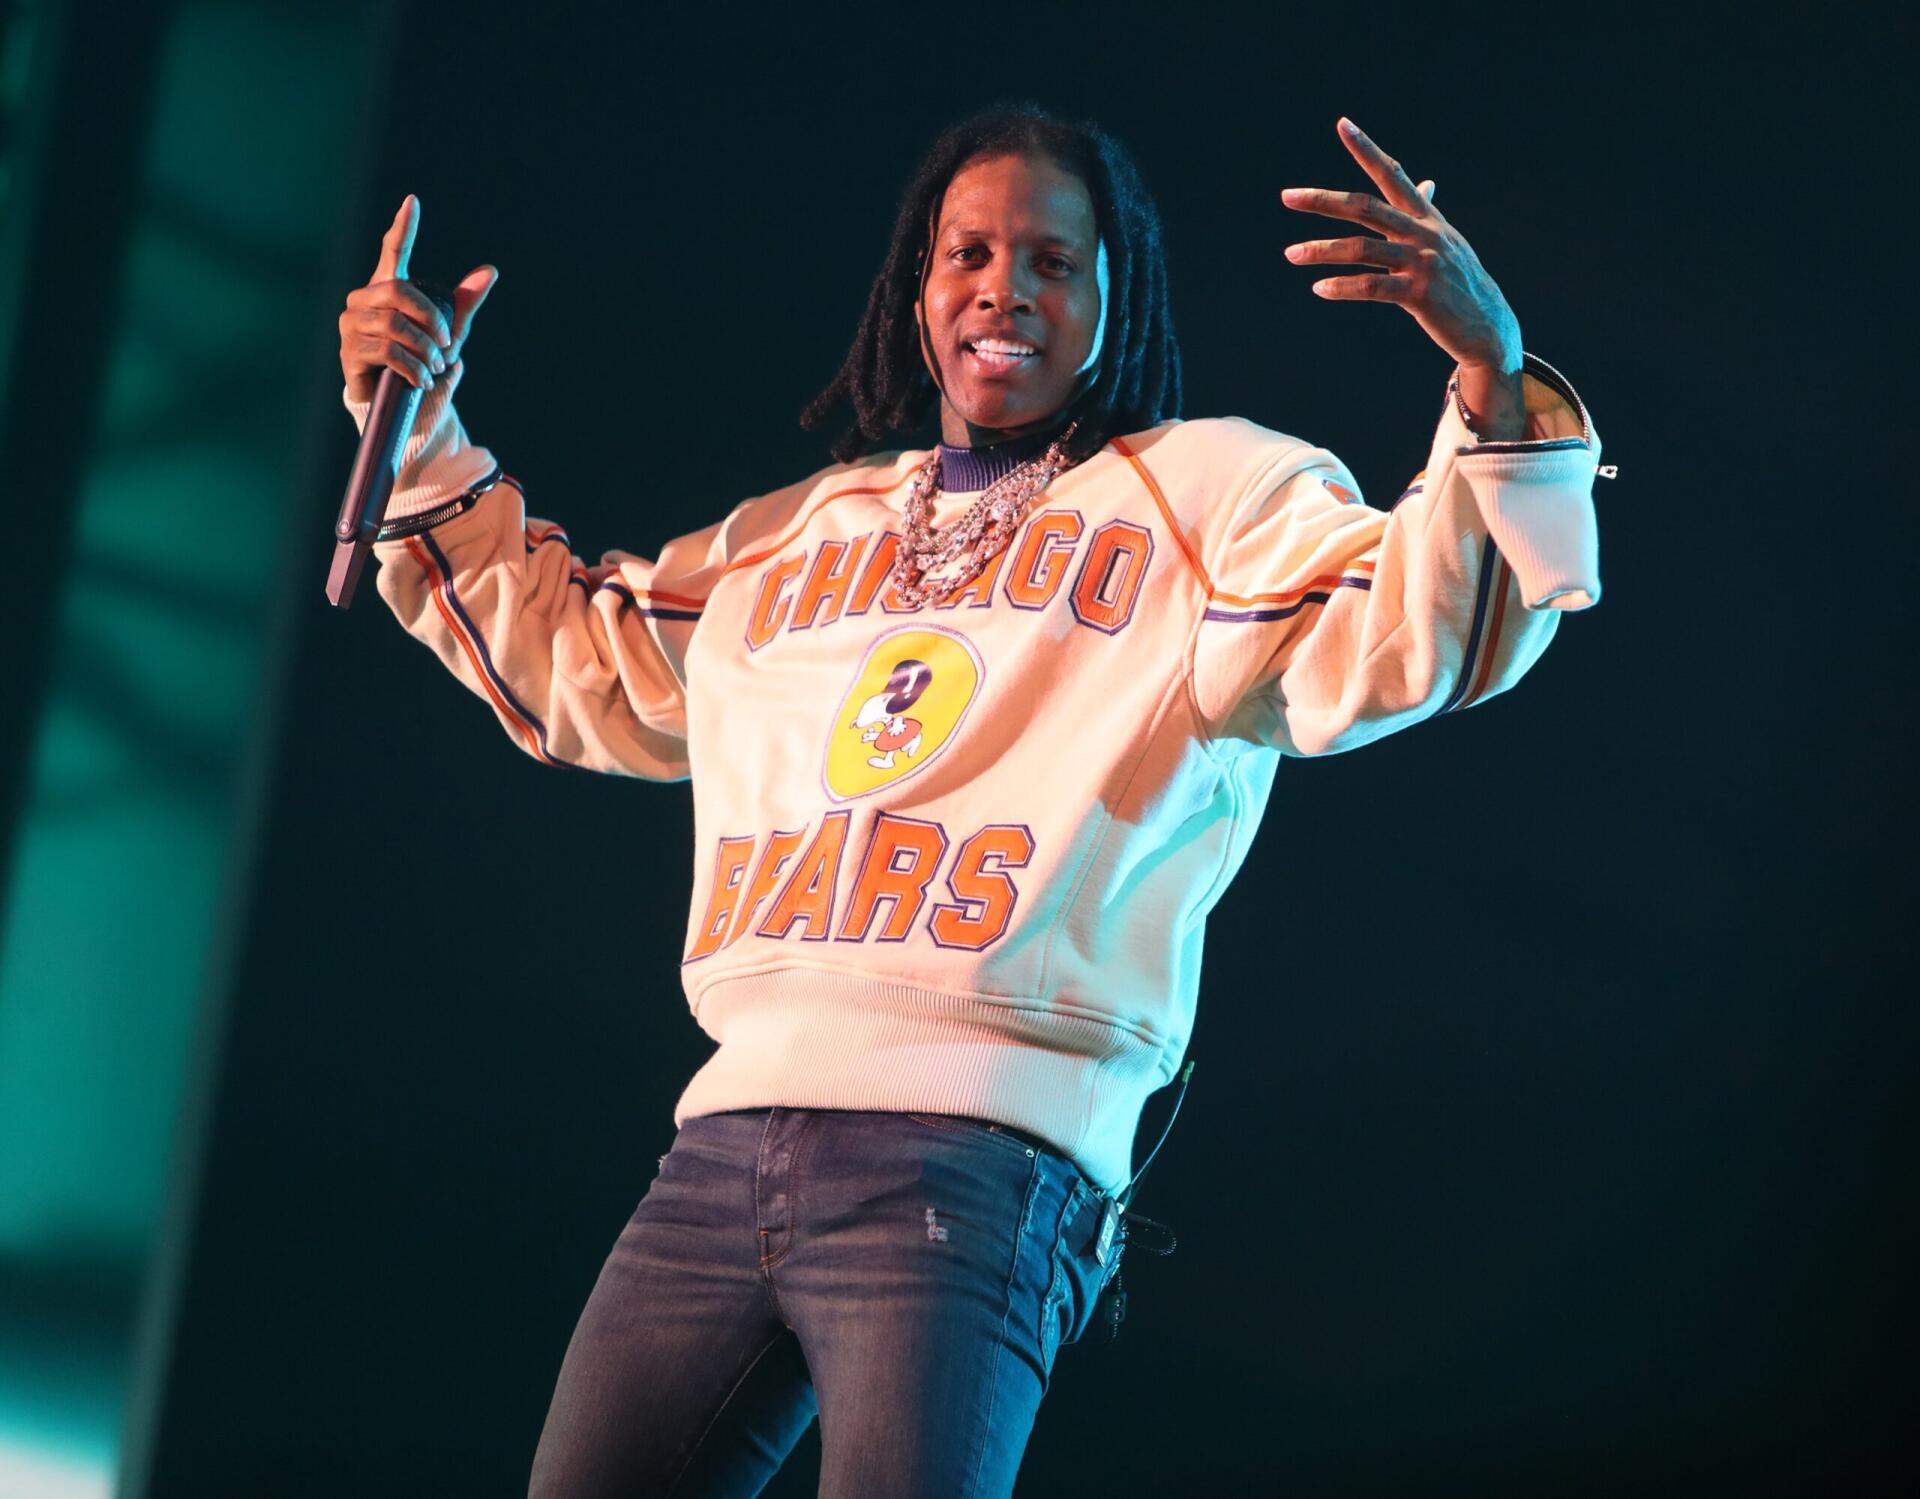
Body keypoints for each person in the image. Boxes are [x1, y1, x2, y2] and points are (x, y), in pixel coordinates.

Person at [336, 103, 1606, 1498]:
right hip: (719, 1153)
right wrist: (419, 436)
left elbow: (1415, 634)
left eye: (1056, 263)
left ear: (1116, 295)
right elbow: (581, 655)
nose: (1006, 288)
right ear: (918, 288)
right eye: (970, 254)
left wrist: (1492, 374)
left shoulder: (1209, 497)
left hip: (979, 1159)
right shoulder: (800, 537)